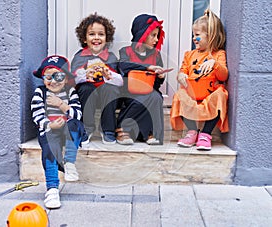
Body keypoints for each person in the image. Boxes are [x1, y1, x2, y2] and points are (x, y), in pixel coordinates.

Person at [170, 9, 229, 150]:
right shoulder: (189, 55)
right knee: (179, 95)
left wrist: (214, 64)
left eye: (197, 35)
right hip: (193, 92)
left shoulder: (218, 54)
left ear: (211, 36)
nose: (193, 38)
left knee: (221, 95)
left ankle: (205, 134)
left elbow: (224, 76)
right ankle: (192, 132)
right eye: (193, 35)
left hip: (209, 93)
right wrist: (181, 76)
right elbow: (183, 71)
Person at [31, 55, 84, 209]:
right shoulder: (40, 92)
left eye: (58, 76)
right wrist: (50, 124)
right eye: (48, 76)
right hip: (50, 130)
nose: (53, 81)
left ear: (66, 79)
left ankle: (69, 163)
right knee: (49, 147)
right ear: (43, 78)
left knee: (75, 124)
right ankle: (52, 189)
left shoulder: (71, 92)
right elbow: (37, 115)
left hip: (68, 130)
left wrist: (62, 105)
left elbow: (78, 114)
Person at [71, 13, 123, 145]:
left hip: (106, 94)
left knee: (110, 89)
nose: (96, 38)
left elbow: (120, 82)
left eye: (101, 34)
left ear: (107, 38)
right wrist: (85, 74)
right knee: (85, 89)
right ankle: (87, 128)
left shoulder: (111, 57)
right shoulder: (79, 56)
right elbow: (73, 80)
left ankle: (108, 129)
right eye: (92, 34)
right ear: (84, 38)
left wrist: (108, 75)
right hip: (88, 94)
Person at [116, 13, 168, 145]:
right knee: (143, 98)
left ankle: (150, 132)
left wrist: (160, 76)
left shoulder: (156, 54)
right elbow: (123, 66)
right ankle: (123, 128)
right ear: (142, 34)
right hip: (129, 91)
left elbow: (156, 84)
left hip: (149, 89)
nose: (156, 40)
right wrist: (148, 67)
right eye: (153, 35)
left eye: (157, 36)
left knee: (155, 97)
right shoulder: (125, 51)